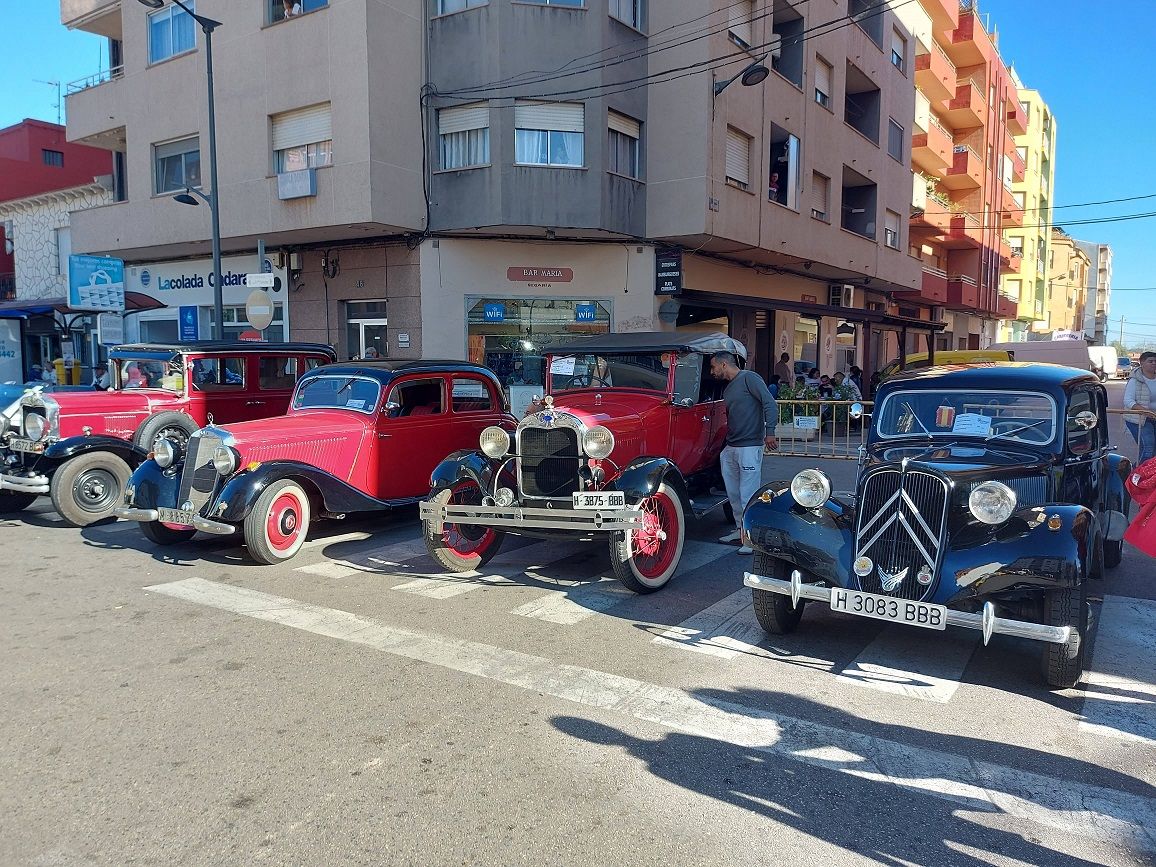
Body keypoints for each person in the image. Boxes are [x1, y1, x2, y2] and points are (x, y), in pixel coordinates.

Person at [709, 351, 778, 555]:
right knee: (734, 494)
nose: (711, 372)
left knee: (748, 493)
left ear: (723, 364)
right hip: (732, 446)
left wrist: (770, 432)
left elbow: (769, 403)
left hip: (749, 445)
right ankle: (740, 531)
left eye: (713, 367)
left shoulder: (749, 378)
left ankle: (750, 538)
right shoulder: (728, 388)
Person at [1124, 351, 1156, 465]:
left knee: (1152, 451)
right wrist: (1147, 412)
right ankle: (1138, 476)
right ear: (1141, 363)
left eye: (1155, 361)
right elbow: (1128, 401)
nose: (1154, 363)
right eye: (1150, 361)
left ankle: (1147, 475)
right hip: (1138, 419)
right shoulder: (1135, 380)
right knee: (1148, 448)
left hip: (1154, 417)